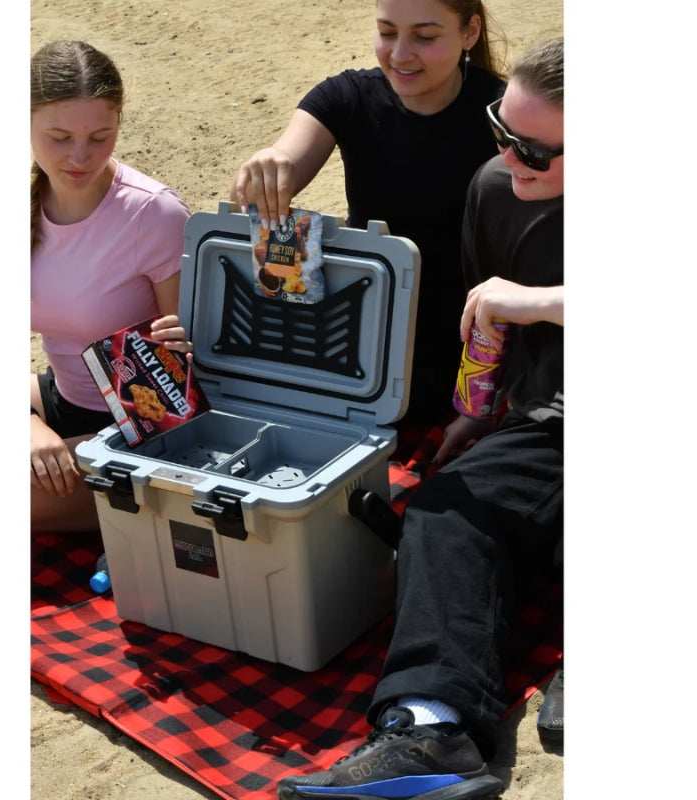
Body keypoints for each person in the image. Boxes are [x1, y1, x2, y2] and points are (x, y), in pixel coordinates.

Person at [276, 35, 564, 800]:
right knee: (442, 512)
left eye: (532, 149)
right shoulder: (498, 189)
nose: (509, 158)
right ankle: (431, 731)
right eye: (500, 131)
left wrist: (544, 302)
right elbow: (490, 329)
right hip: (551, 426)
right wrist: (475, 410)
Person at [229, 0, 506, 426]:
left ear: (469, 33)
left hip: (474, 354)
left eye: (425, 37)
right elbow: (265, 181)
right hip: (366, 357)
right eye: (387, 32)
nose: (399, 54)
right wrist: (266, 168)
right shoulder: (345, 98)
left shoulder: (504, 112)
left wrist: (482, 397)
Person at [30, 40, 192, 533]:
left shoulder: (153, 215)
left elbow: (186, 386)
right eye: (59, 137)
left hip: (137, 427)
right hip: (62, 396)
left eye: (100, 136)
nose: (81, 157)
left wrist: (190, 347)